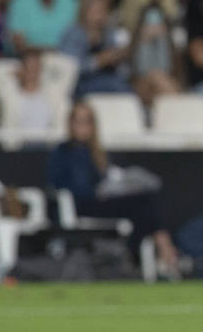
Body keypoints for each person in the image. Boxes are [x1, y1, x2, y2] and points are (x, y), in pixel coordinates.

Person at [47, 101, 180, 274]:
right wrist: (98, 192)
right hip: (82, 205)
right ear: (71, 124)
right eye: (78, 121)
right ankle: (162, 253)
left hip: (101, 201)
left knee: (144, 201)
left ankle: (155, 252)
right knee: (143, 204)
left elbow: (107, 179)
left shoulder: (98, 153)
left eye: (87, 121)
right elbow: (61, 186)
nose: (83, 127)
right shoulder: (62, 153)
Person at [59, 0, 132, 97]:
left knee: (125, 88)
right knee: (118, 88)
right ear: (84, 13)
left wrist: (119, 58)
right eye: (95, 12)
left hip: (109, 79)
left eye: (103, 12)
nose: (99, 17)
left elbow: (123, 70)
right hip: (80, 83)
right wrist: (98, 61)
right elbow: (68, 67)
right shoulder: (74, 34)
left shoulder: (109, 33)